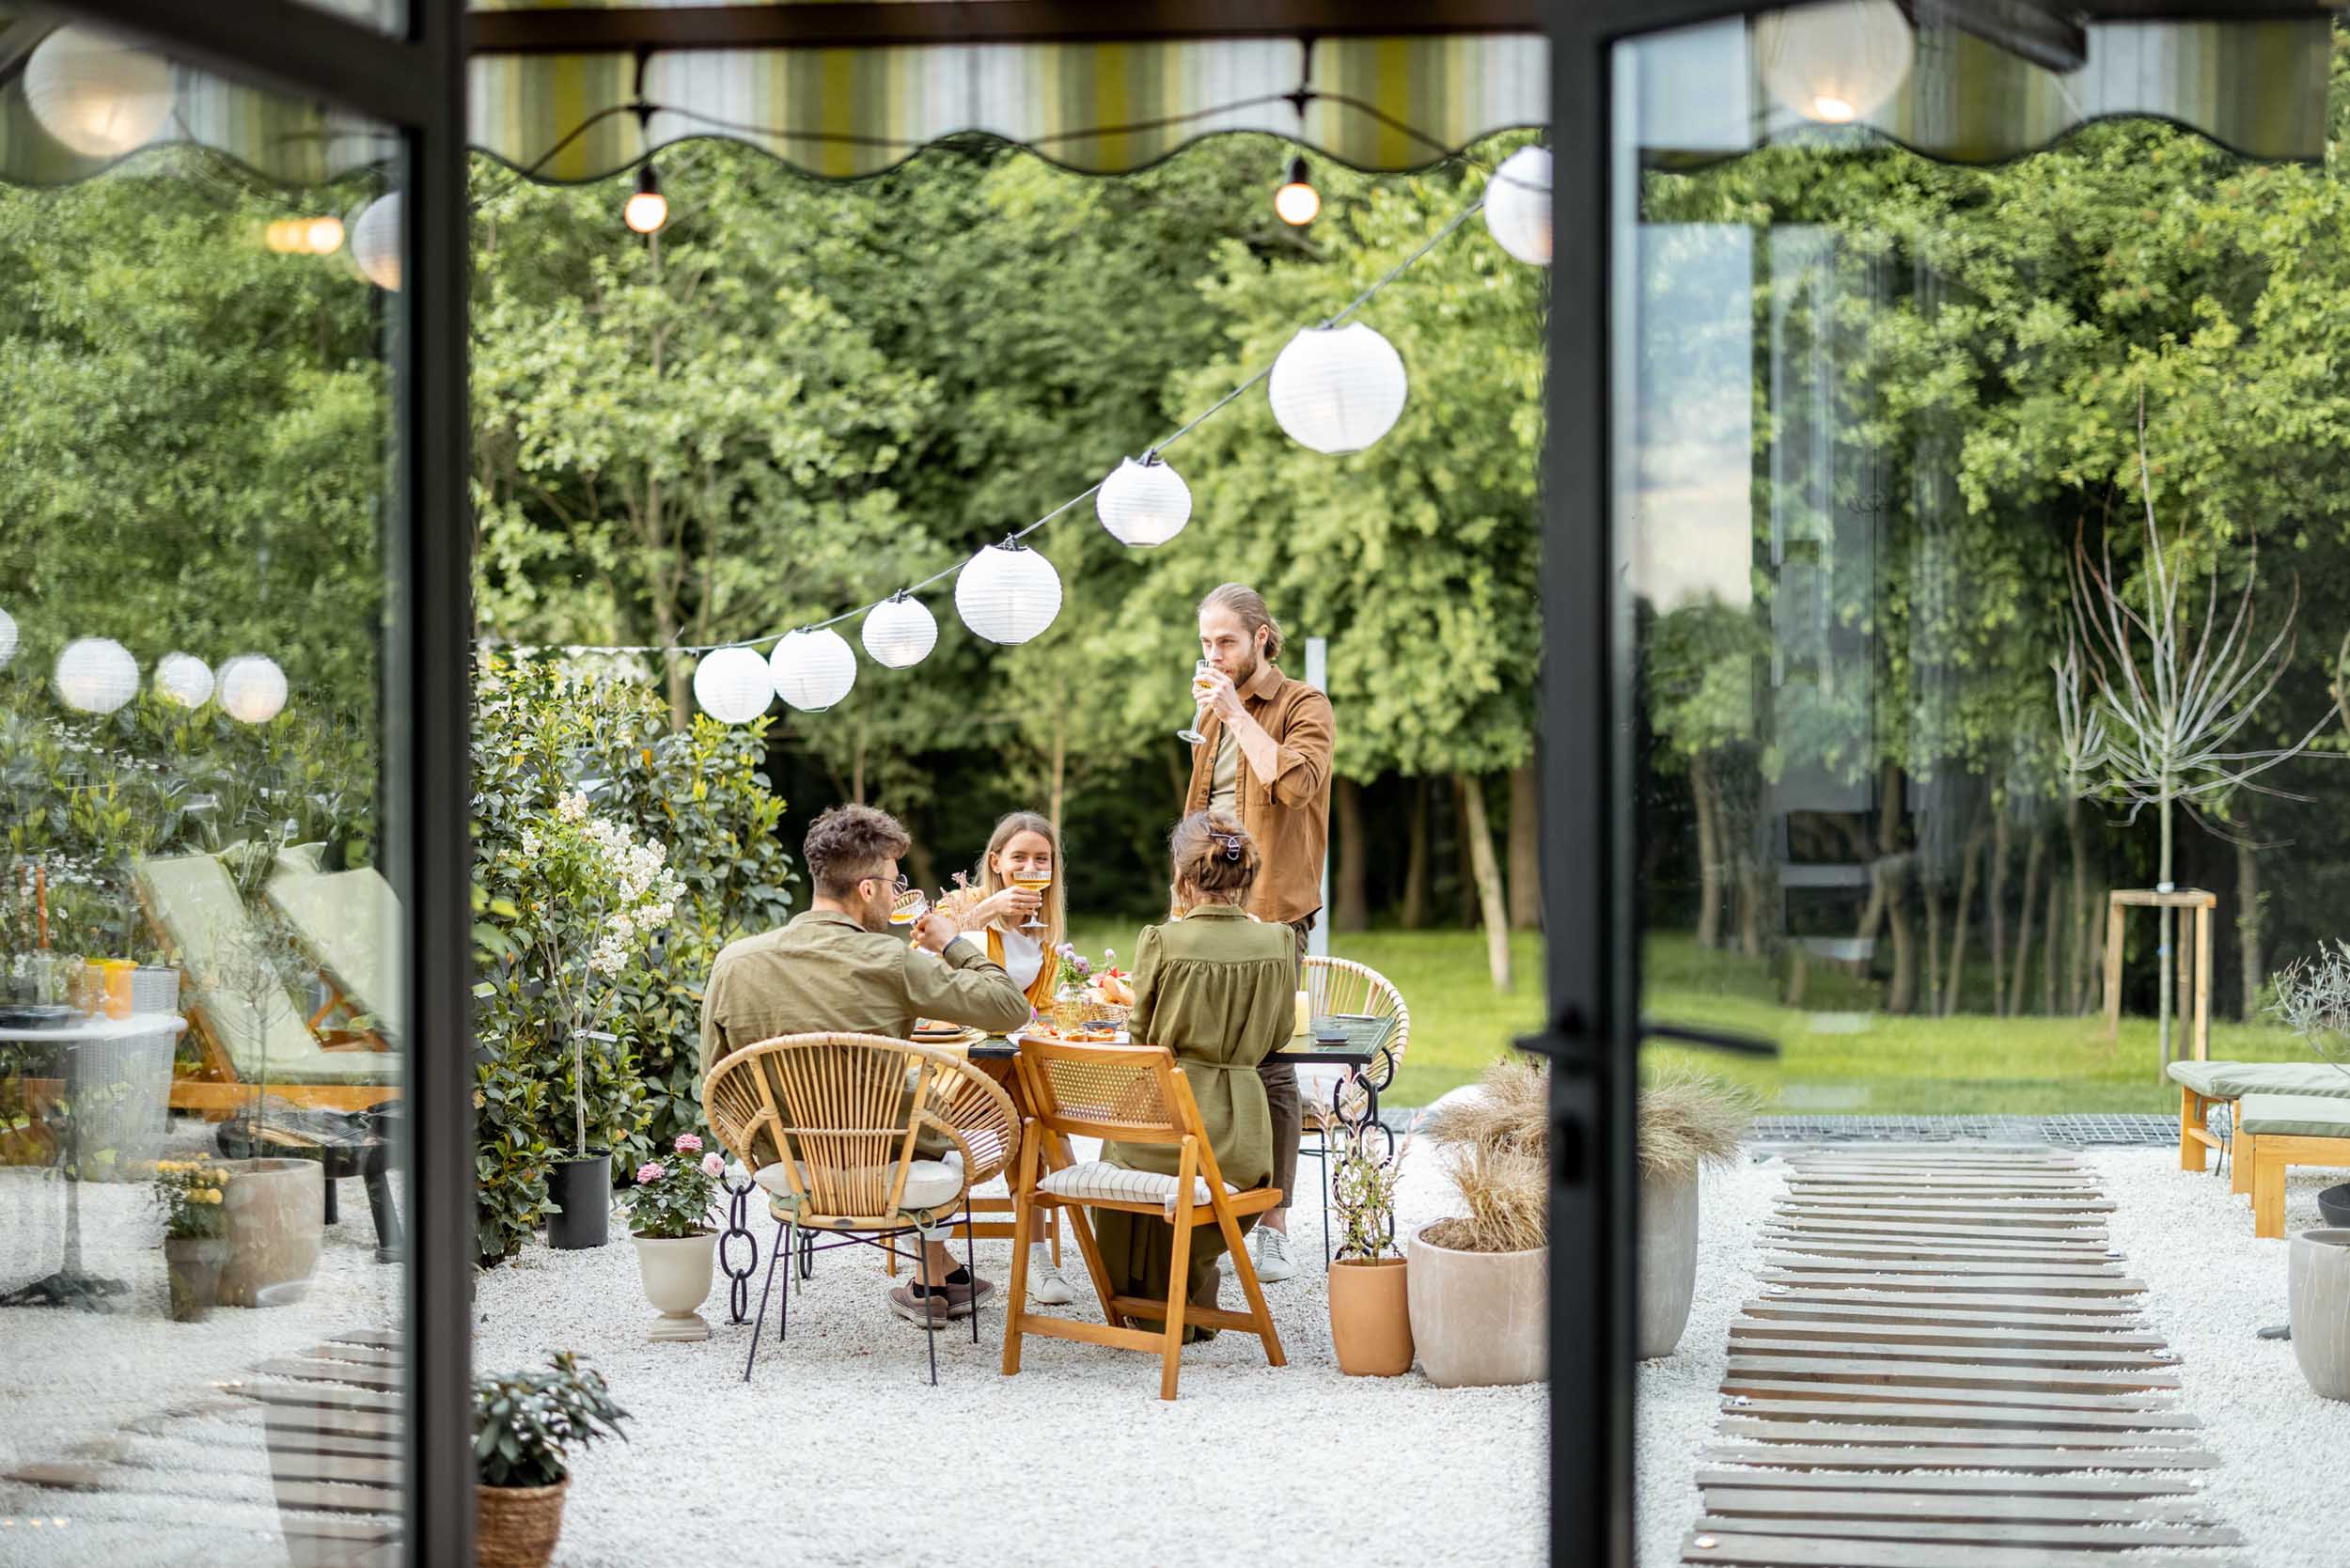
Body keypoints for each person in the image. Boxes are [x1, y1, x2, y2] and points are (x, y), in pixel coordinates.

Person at [698, 803, 1032, 1328]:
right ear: (869, 890)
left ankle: (938, 1275)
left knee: (920, 1106)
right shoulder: (891, 960)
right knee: (932, 1113)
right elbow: (1010, 1008)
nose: (897, 896)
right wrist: (951, 942)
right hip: (890, 1160)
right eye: (895, 884)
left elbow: (716, 1079)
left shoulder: (734, 962)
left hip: (789, 1163)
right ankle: (934, 1274)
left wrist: (763, 1141)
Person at [1090, 812, 1293, 1337]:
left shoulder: (1162, 940)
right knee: (1200, 1190)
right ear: (1245, 875)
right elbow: (1279, 1035)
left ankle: (1153, 1304)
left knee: (1124, 1163)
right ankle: (1191, 1289)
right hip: (1241, 1137)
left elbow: (1141, 1039)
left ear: (1182, 878)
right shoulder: (1279, 942)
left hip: (1164, 1120)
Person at [1183, 582, 1334, 1283]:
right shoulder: (1212, 712)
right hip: (1200, 909)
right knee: (1193, 1056)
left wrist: (1236, 713)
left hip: (1272, 911)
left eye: (1227, 642)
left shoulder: (1304, 704)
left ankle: (1273, 1224)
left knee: (1272, 1062)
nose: (1214, 654)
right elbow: (1200, 809)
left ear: (1262, 638)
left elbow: (1294, 786)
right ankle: (1208, 1209)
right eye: (1206, 642)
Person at [934, 809, 1078, 1306]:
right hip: (961, 1063)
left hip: (1010, 1060)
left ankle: (1034, 1252)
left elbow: (1040, 1008)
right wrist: (986, 909)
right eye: (1020, 857)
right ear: (996, 861)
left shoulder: (1043, 932)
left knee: (1028, 1113)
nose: (1031, 867)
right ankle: (1059, 1200)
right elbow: (927, 952)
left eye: (1042, 859)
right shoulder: (963, 905)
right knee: (1025, 1114)